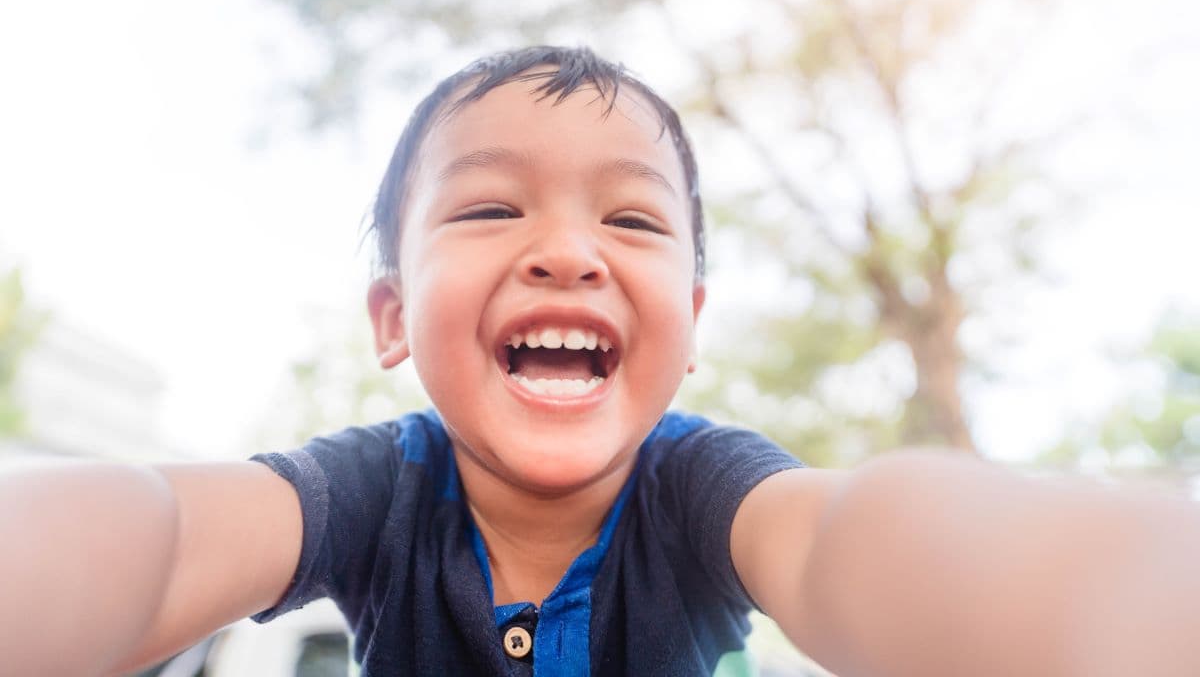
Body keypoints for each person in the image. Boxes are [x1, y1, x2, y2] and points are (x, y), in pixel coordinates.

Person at [1, 46, 1198, 677]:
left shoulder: (702, 488)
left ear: (688, 323)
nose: (568, 250)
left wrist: (1119, 596)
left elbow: (860, 542)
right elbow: (159, 532)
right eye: (487, 211)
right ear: (393, 316)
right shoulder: (375, 490)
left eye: (631, 222)